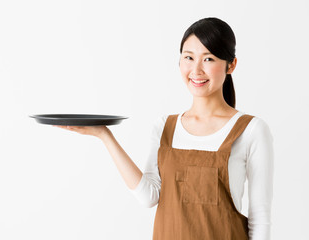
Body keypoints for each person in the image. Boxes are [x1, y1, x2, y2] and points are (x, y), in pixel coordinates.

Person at [54, 17, 274, 240]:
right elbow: (148, 197)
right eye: (188, 57)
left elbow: (260, 218)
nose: (196, 69)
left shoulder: (252, 130)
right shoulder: (164, 128)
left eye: (208, 58)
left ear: (231, 65)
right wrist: (105, 135)